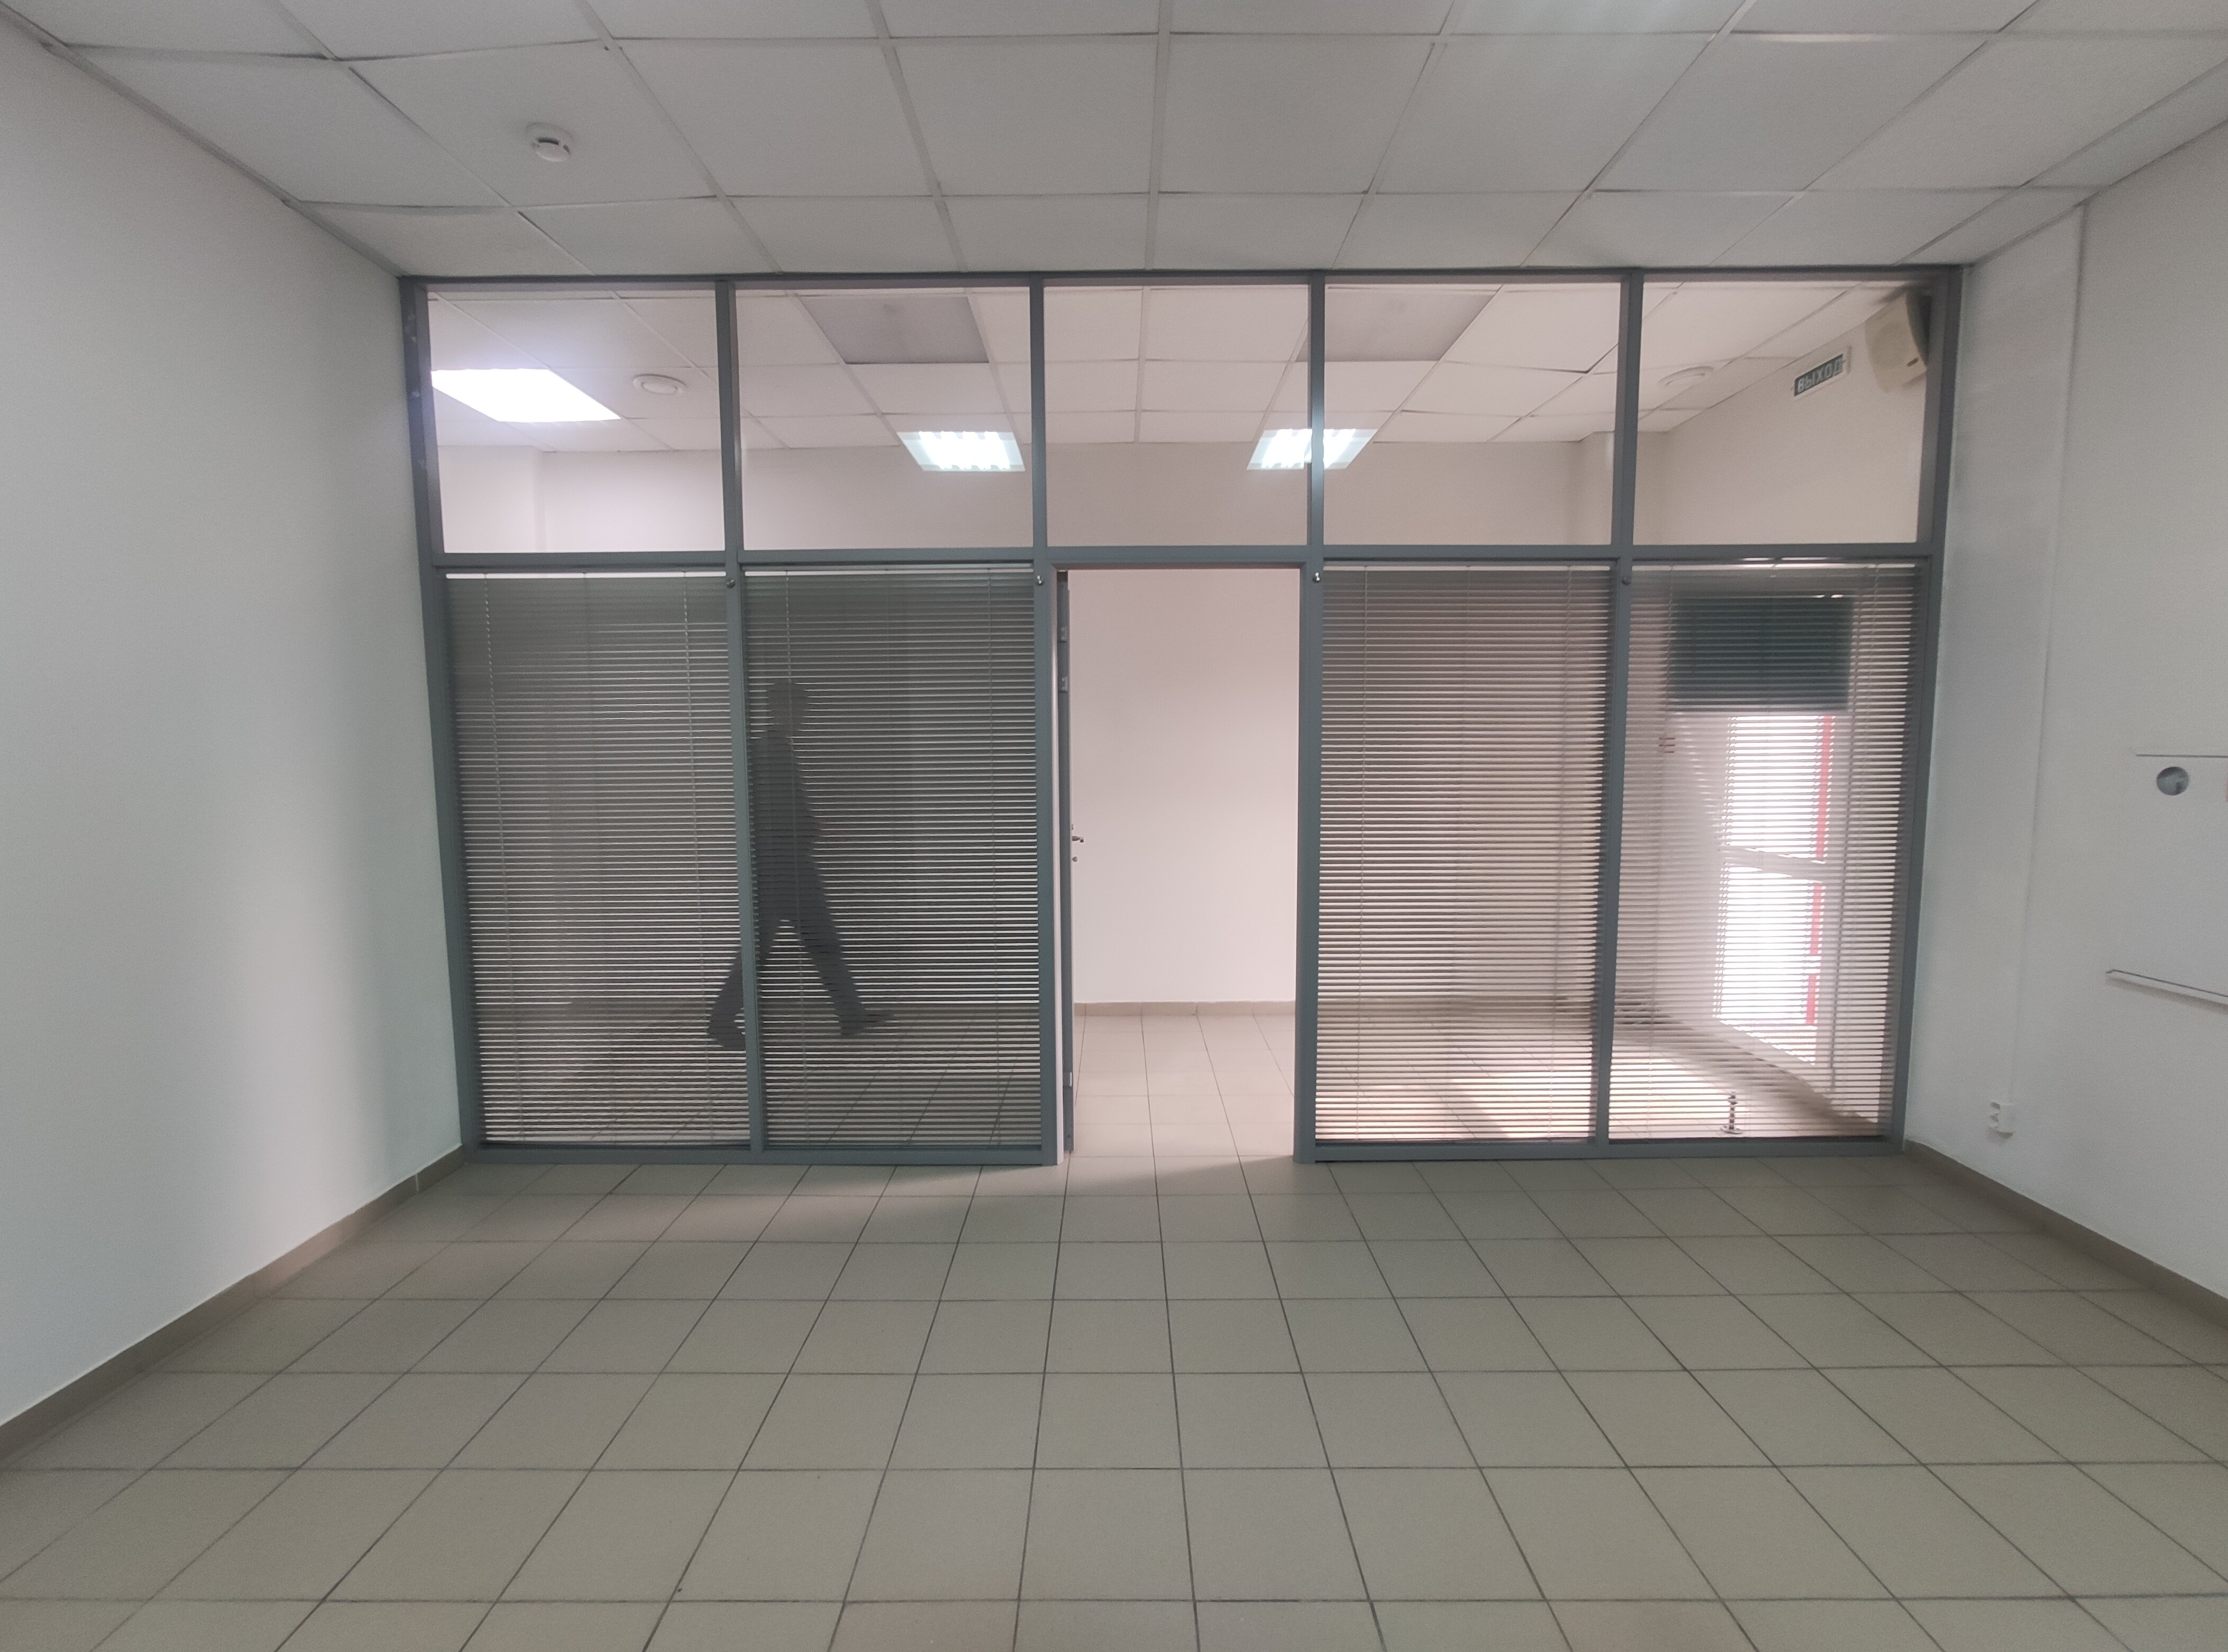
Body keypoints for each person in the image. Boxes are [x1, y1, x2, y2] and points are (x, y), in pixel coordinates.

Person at [709, 680, 884, 1046]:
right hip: (779, 864)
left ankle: (851, 1014)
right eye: (799, 709)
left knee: (821, 940)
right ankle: (721, 1023)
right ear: (780, 710)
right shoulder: (769, 752)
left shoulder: (775, 750)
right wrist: (809, 828)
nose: (803, 717)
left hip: (788, 862)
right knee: (764, 947)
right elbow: (774, 810)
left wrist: (809, 827)